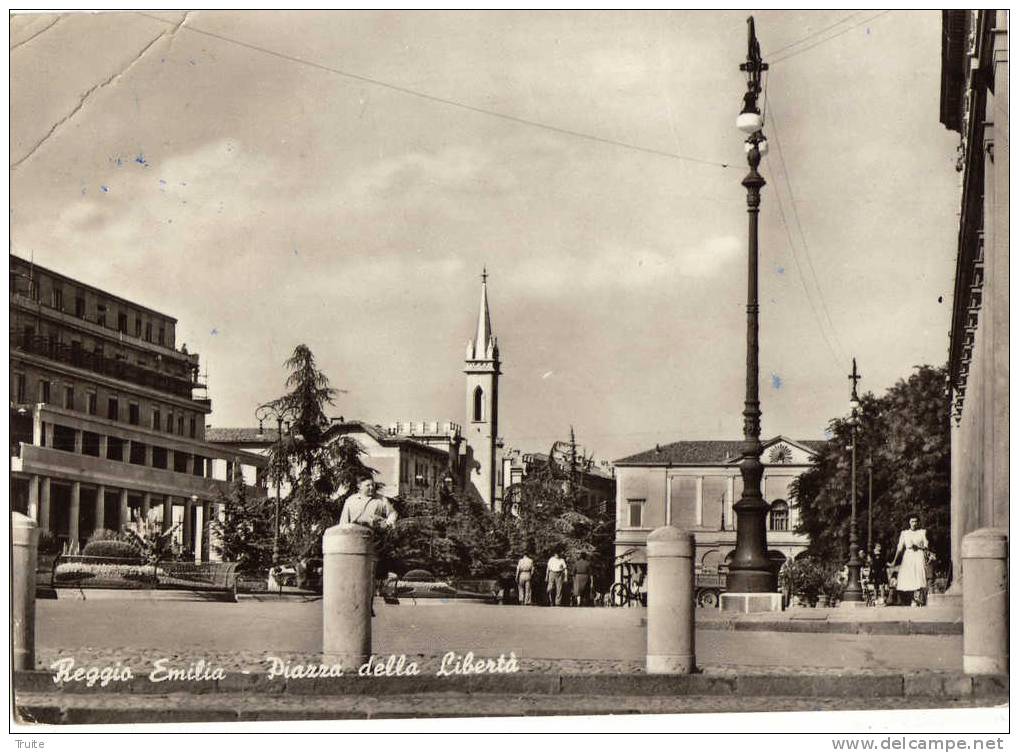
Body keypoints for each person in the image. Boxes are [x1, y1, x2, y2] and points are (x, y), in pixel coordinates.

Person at [893, 514, 929, 607]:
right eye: (912, 521)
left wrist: (920, 546)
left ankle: (917, 598)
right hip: (908, 555)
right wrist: (894, 561)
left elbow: (926, 545)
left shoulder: (922, 532)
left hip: (918, 554)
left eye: (916, 521)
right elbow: (899, 548)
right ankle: (912, 599)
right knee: (909, 576)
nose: (914, 523)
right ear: (909, 522)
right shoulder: (905, 533)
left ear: (918, 522)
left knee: (919, 575)